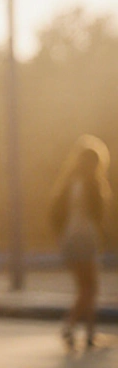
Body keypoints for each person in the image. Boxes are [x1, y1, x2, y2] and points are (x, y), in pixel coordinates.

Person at [51, 135, 112, 350]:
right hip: (86, 237)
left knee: (83, 288)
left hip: (69, 236)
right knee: (91, 288)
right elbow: (97, 216)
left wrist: (60, 236)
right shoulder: (94, 183)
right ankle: (77, 328)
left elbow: (55, 213)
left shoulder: (68, 183)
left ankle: (87, 332)